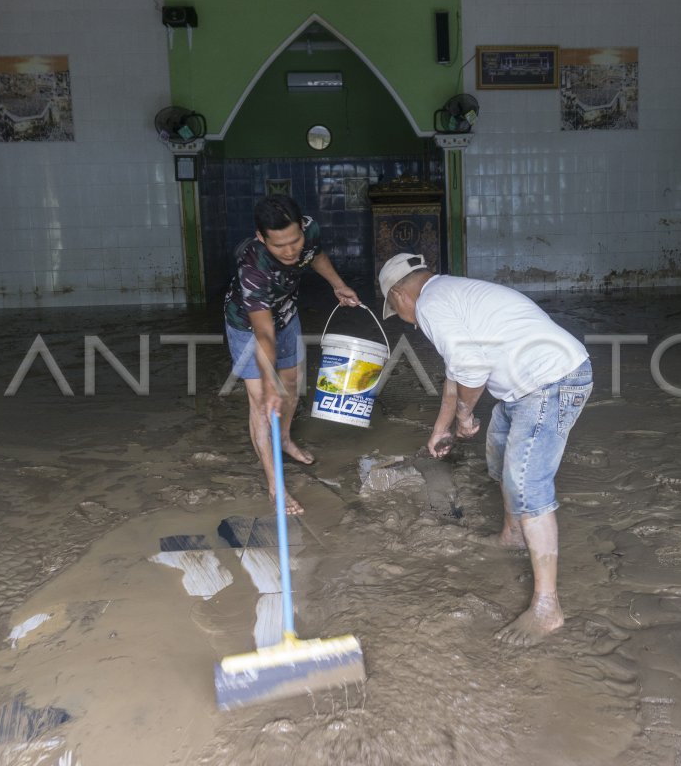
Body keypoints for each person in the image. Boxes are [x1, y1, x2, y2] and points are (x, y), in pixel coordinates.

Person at [378, 253, 592, 646]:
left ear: (398, 295)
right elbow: (456, 374)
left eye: (396, 311)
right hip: (527, 386)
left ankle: (548, 608)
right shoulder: (448, 295)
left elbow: (471, 371)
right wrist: (440, 429)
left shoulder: (430, 306)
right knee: (498, 453)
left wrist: (463, 416)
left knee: (526, 482)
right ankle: (512, 536)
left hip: (551, 382)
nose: (404, 320)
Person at [224, 196, 360, 516]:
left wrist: (337, 285)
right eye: (279, 245)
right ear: (261, 237)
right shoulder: (252, 268)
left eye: (294, 239)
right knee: (262, 402)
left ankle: (283, 439)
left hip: (286, 314)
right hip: (249, 327)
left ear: (301, 227)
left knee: (294, 383)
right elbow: (264, 334)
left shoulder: (308, 232)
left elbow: (315, 255)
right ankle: (276, 485)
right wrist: (269, 384)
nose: (290, 250)